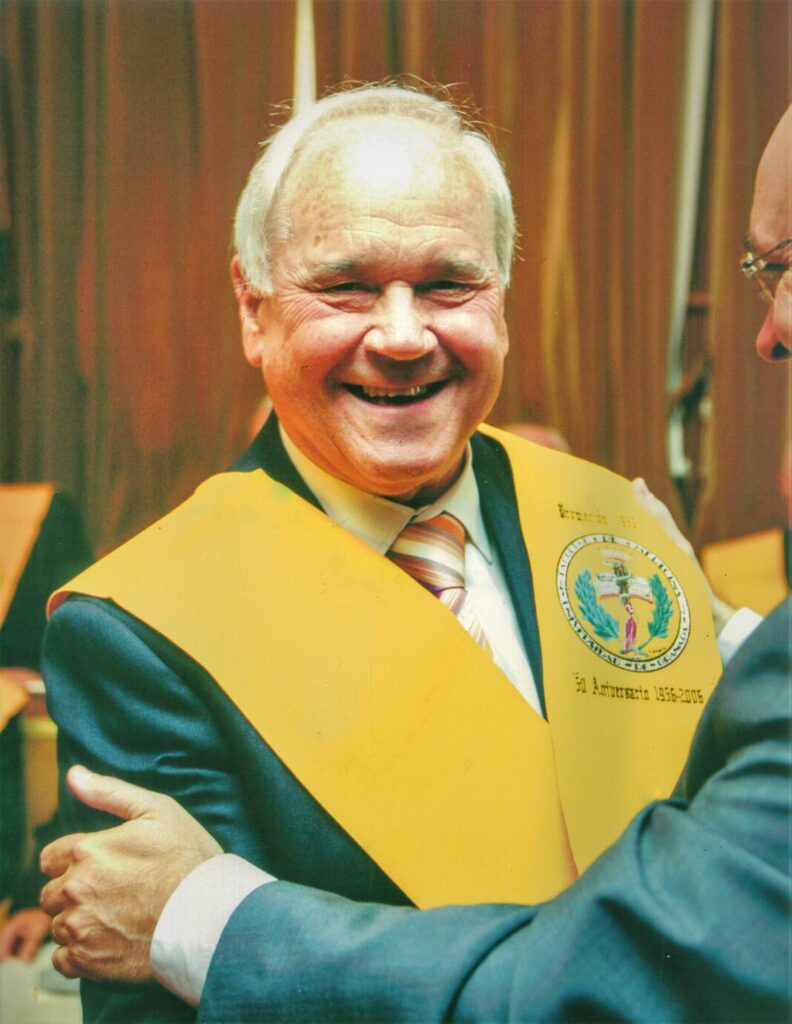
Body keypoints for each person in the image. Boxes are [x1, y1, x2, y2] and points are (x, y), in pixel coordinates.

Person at [40, 83, 755, 1022]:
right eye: (346, 286)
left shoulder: (617, 528)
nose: (406, 336)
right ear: (252, 309)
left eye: (450, 284)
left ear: (503, 301)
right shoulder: (141, 631)